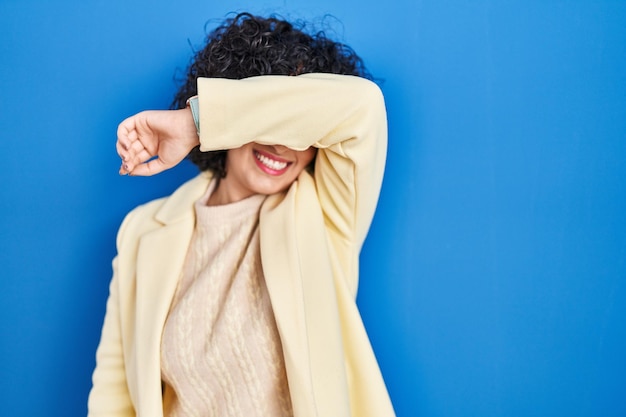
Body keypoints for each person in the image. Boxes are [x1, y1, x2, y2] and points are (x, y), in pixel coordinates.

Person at [88, 12, 395, 417]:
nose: (284, 146)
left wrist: (196, 121)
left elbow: (363, 106)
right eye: (268, 121)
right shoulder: (142, 231)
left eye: (299, 127)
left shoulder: (325, 215)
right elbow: (114, 397)